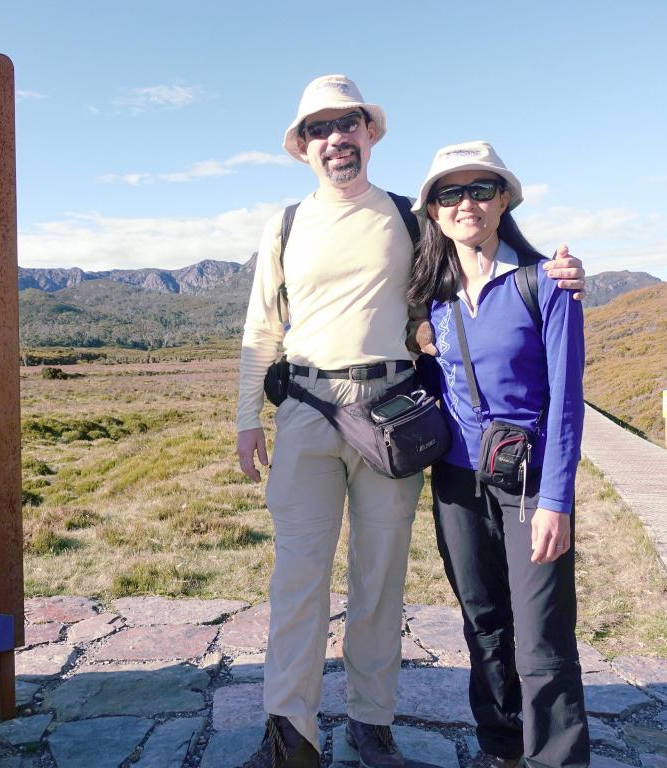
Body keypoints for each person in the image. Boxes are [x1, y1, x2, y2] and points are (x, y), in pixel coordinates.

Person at [236, 77, 586, 768]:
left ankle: (373, 725)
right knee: (296, 579)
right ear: (304, 147)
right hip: (305, 412)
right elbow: (261, 326)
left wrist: (558, 273)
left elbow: (477, 255)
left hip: (390, 417)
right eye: (319, 128)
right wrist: (247, 418)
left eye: (348, 122)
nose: (335, 137)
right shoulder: (283, 225)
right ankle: (291, 736)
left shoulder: (407, 216)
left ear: (370, 132)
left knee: (380, 579)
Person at [407, 141, 589, 768]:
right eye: (449, 194)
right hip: (457, 482)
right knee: (483, 625)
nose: (466, 204)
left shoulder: (547, 284)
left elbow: (567, 400)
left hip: (532, 481)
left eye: (480, 189)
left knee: (541, 636)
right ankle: (502, 750)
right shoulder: (432, 295)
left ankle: (557, 759)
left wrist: (557, 500)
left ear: (504, 199)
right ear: (432, 211)